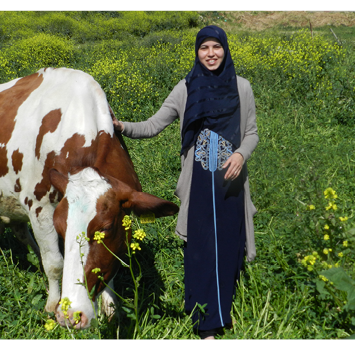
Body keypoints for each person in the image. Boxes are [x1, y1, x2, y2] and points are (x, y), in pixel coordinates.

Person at [112, 25, 259, 339]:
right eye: (204, 48)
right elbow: (153, 125)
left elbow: (251, 133)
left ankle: (223, 310)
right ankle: (206, 323)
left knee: (230, 245)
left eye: (215, 47)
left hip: (232, 181)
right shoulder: (186, 88)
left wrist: (241, 156)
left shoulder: (241, 86)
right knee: (202, 248)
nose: (210, 54)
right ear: (197, 52)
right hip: (200, 182)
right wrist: (121, 125)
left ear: (225, 49)